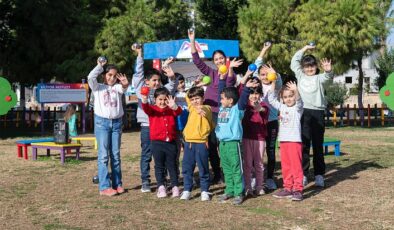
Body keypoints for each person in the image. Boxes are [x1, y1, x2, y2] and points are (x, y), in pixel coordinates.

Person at [188, 29, 242, 184]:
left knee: (224, 145)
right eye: (216, 59)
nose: (219, 61)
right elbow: (197, 60)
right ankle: (217, 174)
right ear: (214, 61)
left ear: (225, 59)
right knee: (211, 146)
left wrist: (230, 68)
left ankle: (229, 173)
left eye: (221, 58)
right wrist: (192, 41)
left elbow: (230, 84)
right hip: (209, 113)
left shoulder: (230, 74)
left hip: (224, 115)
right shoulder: (211, 73)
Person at [132, 45, 177, 193]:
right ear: (147, 81)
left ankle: (162, 182)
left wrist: (170, 75)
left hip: (161, 128)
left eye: (158, 80)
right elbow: (138, 74)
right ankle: (145, 181)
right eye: (154, 80)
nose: (157, 83)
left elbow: (172, 85)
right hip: (147, 126)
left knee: (162, 156)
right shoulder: (141, 91)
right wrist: (139, 56)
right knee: (146, 154)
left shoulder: (161, 92)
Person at [290, 44, 332, 187]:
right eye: (307, 66)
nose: (309, 69)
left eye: (312, 66)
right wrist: (305, 48)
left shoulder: (320, 78)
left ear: (316, 67)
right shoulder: (300, 75)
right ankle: (303, 174)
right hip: (303, 112)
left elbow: (328, 78)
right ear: (303, 68)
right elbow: (294, 61)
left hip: (318, 113)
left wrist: (328, 71)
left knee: (318, 145)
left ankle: (319, 174)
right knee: (304, 145)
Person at [87, 57, 129, 197]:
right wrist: (99, 66)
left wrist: (124, 84)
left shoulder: (117, 88)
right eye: (109, 75)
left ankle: (118, 184)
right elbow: (90, 77)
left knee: (115, 155)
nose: (111, 78)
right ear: (103, 75)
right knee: (103, 155)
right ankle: (104, 186)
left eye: (114, 76)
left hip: (117, 123)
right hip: (102, 124)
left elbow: (123, 88)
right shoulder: (97, 87)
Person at [215, 73, 258, 205]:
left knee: (236, 168)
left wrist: (246, 88)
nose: (220, 100)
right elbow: (220, 94)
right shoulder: (222, 107)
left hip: (233, 144)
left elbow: (243, 101)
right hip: (222, 144)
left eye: (223, 99)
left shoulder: (236, 110)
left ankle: (239, 192)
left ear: (231, 100)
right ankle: (229, 190)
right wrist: (222, 79)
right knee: (226, 168)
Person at [267, 74, 304, 201]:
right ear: (282, 99)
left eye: (291, 96)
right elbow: (271, 99)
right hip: (283, 141)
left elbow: (299, 102)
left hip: (295, 142)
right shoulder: (282, 107)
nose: (288, 99)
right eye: (285, 97)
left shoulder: (298, 109)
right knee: (286, 166)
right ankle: (288, 188)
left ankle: (298, 189)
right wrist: (272, 82)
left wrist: (296, 90)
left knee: (296, 166)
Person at [141, 87, 182, 198]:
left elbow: (179, 112)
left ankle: (174, 186)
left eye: (165, 100)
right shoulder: (152, 110)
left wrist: (174, 106)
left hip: (171, 143)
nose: (163, 102)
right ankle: (161, 186)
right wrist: (144, 99)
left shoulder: (171, 110)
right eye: (160, 99)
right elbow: (145, 108)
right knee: (159, 166)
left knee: (172, 165)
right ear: (155, 100)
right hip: (157, 143)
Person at [253, 42, 282, 190]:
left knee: (270, 150)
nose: (265, 77)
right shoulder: (255, 84)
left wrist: (274, 73)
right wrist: (264, 49)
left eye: (267, 74)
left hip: (271, 122)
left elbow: (277, 79)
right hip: (257, 122)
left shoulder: (275, 84)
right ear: (258, 75)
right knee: (256, 151)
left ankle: (270, 178)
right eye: (262, 74)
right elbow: (256, 63)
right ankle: (255, 177)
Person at [179, 86, 214, 201]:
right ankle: (187, 190)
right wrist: (195, 85)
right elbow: (187, 97)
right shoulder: (191, 107)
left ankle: (205, 190)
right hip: (189, 143)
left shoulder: (207, 108)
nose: (195, 101)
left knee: (203, 167)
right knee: (187, 167)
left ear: (203, 98)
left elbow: (205, 110)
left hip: (201, 143)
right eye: (193, 99)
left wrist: (200, 108)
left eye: (197, 98)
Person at [239, 70, 269, 197]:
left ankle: (259, 186)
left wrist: (259, 108)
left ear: (260, 94)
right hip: (246, 138)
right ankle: (247, 187)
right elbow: (240, 90)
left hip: (260, 139)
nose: (254, 96)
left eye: (257, 93)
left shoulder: (264, 105)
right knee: (247, 164)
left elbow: (263, 110)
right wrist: (246, 86)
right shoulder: (244, 106)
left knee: (259, 163)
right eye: (252, 93)